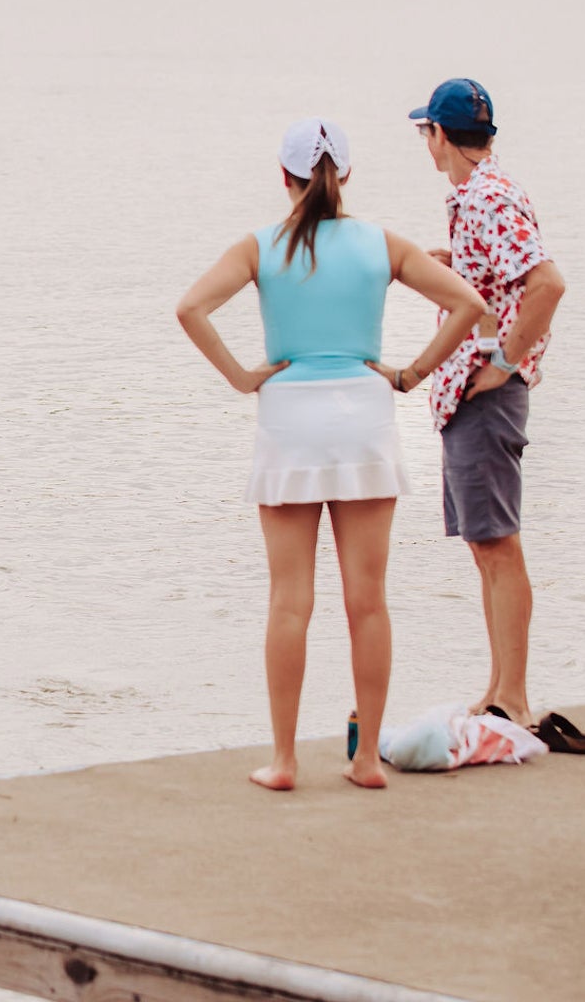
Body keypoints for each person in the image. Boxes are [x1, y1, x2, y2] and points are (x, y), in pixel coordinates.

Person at [177, 120, 489, 790]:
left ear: (283, 175)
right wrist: (408, 375)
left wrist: (242, 376)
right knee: (367, 601)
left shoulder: (261, 247)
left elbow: (191, 308)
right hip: (365, 417)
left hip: (289, 420)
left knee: (290, 600)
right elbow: (467, 302)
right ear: (344, 176)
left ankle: (285, 762)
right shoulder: (382, 243)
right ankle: (368, 759)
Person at [409, 79, 567, 729]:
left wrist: (505, 363)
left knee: (497, 544)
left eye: (426, 132)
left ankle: (514, 697)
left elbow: (548, 284)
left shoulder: (487, 198)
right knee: (485, 544)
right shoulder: (480, 196)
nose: (426, 142)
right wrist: (450, 263)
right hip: (470, 394)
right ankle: (500, 688)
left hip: (484, 395)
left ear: (441, 136)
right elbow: (503, 276)